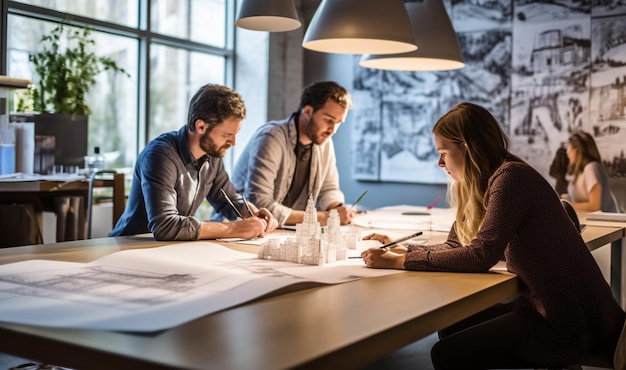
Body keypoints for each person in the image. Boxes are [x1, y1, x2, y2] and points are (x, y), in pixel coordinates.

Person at [360, 102, 624, 369]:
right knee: (452, 326)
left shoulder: (510, 179)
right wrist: (406, 251)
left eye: (442, 153)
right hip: (548, 305)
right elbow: (457, 244)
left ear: (466, 146)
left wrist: (400, 262)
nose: (439, 163)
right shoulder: (492, 179)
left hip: (565, 319)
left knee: (445, 353)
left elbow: (481, 256)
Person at [110, 84, 278, 241]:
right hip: (128, 247)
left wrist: (251, 213)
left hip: (166, 251)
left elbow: (228, 199)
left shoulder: (212, 156)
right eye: (227, 135)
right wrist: (233, 229)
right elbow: (165, 226)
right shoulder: (159, 156)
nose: (233, 143)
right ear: (201, 126)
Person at [232, 81, 356, 226]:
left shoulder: (325, 142)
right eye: (329, 120)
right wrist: (323, 217)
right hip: (240, 230)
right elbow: (260, 203)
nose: (333, 130)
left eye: (338, 122)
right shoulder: (271, 137)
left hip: (282, 231)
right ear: (308, 112)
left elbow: (328, 189)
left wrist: (337, 209)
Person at [560, 131, 617, 212]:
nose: (567, 152)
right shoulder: (581, 171)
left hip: (603, 223)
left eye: (569, 147)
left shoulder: (591, 168)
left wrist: (568, 205)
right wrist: (570, 198)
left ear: (577, 149)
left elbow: (594, 206)